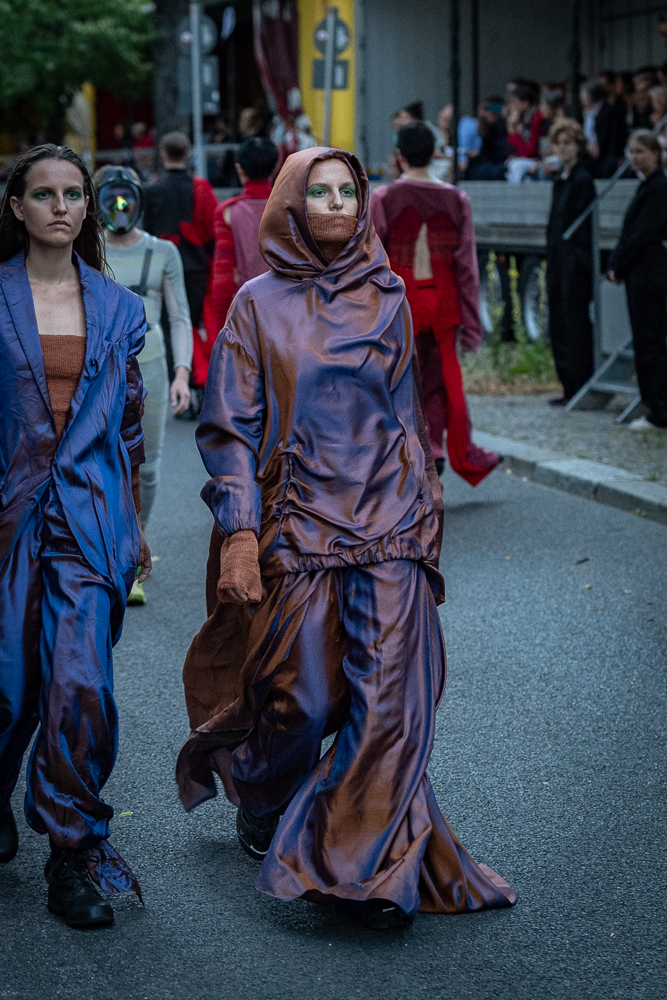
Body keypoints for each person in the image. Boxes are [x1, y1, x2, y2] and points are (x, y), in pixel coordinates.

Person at [176, 146, 516, 928]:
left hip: (389, 519)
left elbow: (404, 414)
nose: (336, 204)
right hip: (298, 520)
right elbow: (228, 427)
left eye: (348, 192)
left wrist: (425, 509)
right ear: (291, 204)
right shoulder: (256, 303)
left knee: (392, 698)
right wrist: (238, 533)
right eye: (320, 192)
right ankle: (262, 791)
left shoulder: (389, 294)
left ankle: (362, 866)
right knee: (301, 698)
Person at [0, 144, 150, 927]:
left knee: (80, 684)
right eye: (43, 194)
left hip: (88, 522)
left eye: (73, 194)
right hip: (8, 517)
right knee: (7, 683)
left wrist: (133, 525)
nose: (60, 206)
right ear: (17, 207)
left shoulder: (119, 309)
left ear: (89, 207)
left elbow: (128, 427)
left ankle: (72, 852)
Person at [371, 125, 499, 483]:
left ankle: (411, 454)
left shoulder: (384, 197)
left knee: (400, 382)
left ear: (399, 156)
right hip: (444, 301)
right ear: (435, 154)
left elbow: (372, 262)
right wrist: (472, 326)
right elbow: (467, 268)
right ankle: (440, 450)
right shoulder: (457, 199)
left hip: (400, 304)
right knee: (441, 382)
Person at [94, 166, 192, 602]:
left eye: (126, 198)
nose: (121, 207)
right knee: (98, 464)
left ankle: (135, 553)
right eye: (112, 198)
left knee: (146, 467)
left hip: (149, 366)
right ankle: (105, 552)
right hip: (98, 369)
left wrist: (182, 373)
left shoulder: (163, 252)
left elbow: (179, 317)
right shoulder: (88, 250)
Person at [142, 132, 217, 405]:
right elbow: (211, 231)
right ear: (187, 154)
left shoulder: (151, 191)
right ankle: (197, 384)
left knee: (169, 324)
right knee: (192, 324)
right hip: (196, 266)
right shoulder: (202, 189)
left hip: (162, 269)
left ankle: (176, 386)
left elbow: (146, 234)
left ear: (163, 154)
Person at [608, 131, 667, 431]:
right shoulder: (647, 186)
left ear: (656, 154)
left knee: (649, 339)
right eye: (631, 152)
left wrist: (619, 265)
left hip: (648, 271)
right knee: (646, 338)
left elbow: (641, 233)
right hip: (640, 270)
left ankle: (659, 409)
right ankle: (655, 403)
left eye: (640, 151)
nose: (634, 158)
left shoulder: (658, 188)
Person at [208, 138, 278, 354]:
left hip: (244, 316)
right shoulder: (290, 208)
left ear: (240, 169)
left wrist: (220, 328)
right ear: (274, 167)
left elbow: (223, 274)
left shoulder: (227, 212)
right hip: (286, 313)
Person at [544, 120, 596, 405]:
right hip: (558, 258)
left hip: (573, 262)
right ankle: (568, 385)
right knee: (559, 321)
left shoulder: (582, 179)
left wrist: (576, 261)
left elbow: (581, 228)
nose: (563, 148)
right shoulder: (561, 180)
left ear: (578, 146)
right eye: (559, 143)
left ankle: (579, 384)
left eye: (568, 143)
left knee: (574, 323)